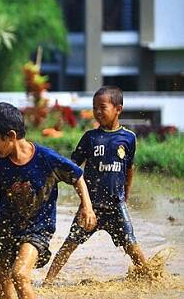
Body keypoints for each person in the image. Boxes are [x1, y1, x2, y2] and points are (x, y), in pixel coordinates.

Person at [0, 102, 96, 299]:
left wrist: (87, 207)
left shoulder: (46, 158)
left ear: (11, 136)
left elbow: (77, 176)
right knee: (1, 289)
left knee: (19, 275)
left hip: (38, 228)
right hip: (7, 227)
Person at [44, 86, 147, 285]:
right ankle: (48, 282)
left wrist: (126, 195)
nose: (97, 112)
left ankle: (151, 278)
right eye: (94, 108)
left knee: (132, 245)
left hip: (116, 206)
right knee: (70, 243)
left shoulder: (129, 138)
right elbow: (72, 169)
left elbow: (129, 168)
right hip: (91, 208)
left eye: (102, 107)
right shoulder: (90, 138)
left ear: (118, 109)